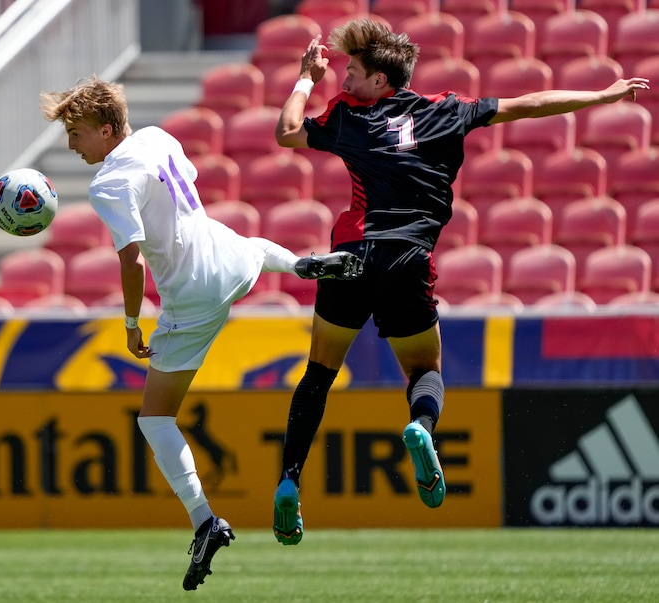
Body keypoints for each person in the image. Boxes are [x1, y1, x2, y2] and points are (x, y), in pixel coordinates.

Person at [271, 18, 650, 545]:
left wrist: (304, 80)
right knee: (425, 369)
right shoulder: (444, 111)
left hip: (351, 256)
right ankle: (420, 429)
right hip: (407, 257)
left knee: (318, 373)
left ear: (381, 81)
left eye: (352, 73)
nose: (344, 81)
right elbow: (528, 103)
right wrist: (600, 97)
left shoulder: (346, 117)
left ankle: (289, 481)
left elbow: (286, 131)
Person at [39, 75, 363, 589]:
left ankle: (204, 521)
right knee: (253, 245)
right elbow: (182, 189)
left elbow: (131, 263)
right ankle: (303, 265)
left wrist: (129, 324)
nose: (71, 144)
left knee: (155, 419)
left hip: (191, 295)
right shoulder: (158, 138)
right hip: (225, 254)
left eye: (75, 132)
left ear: (104, 129)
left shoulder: (108, 183)